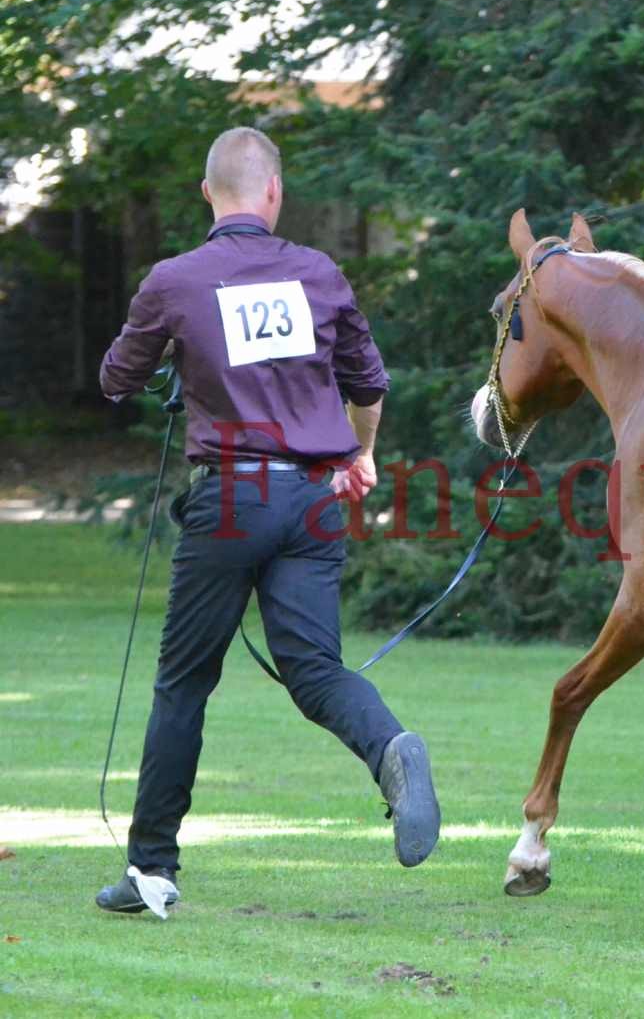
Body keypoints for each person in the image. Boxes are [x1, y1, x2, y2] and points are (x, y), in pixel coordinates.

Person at [94, 126, 439, 916]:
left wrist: (171, 365)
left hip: (231, 498)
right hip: (314, 498)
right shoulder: (317, 274)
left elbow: (118, 376)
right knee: (315, 672)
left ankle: (151, 869)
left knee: (184, 682)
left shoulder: (176, 280)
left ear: (208, 194)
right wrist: (360, 455)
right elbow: (369, 383)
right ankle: (391, 749)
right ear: (274, 192)